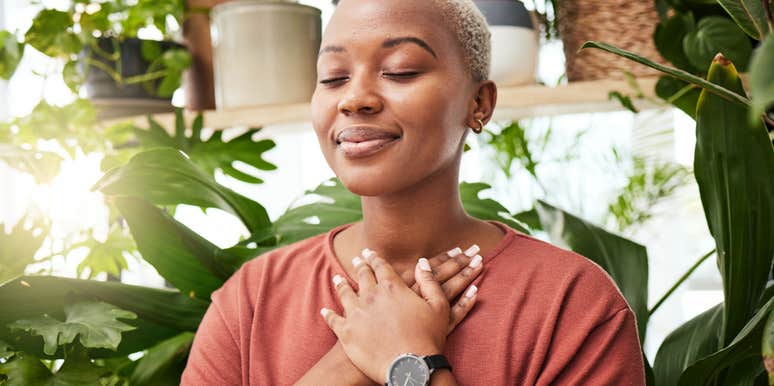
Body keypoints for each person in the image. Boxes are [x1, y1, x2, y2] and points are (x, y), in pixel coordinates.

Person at [181, 0, 647, 385]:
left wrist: (411, 363)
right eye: (333, 77)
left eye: (400, 71)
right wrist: (344, 366)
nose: (354, 98)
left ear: (478, 103)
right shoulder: (252, 299)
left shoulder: (571, 304)